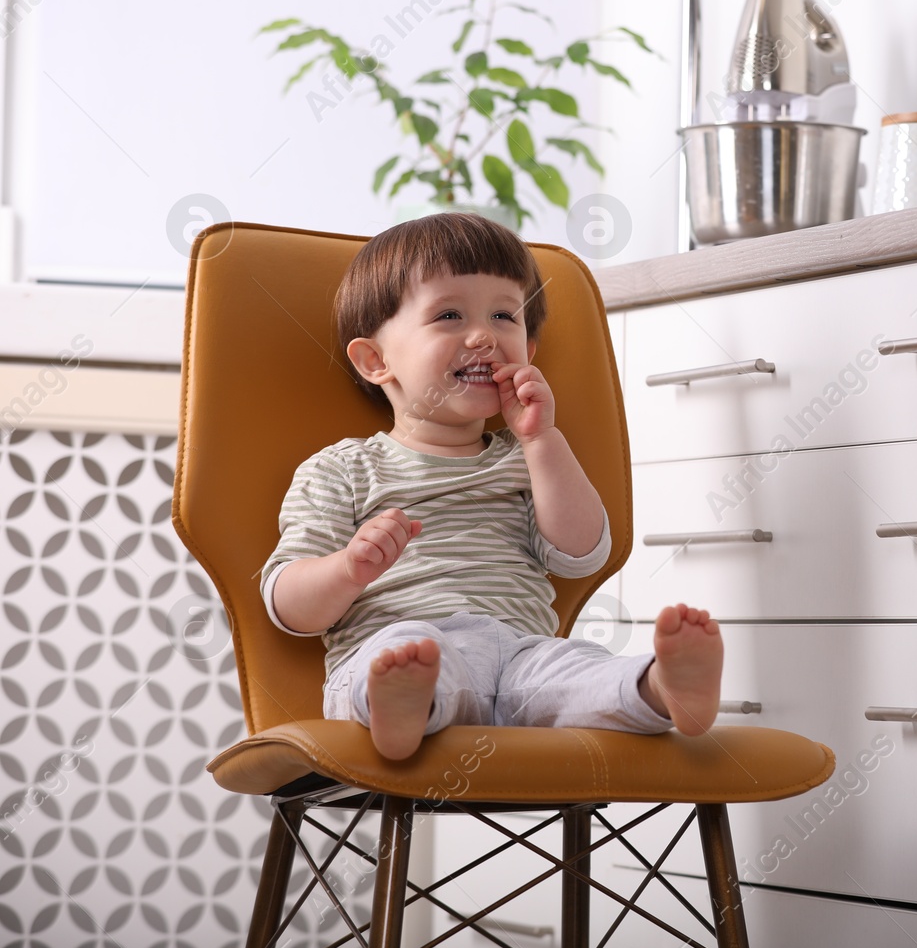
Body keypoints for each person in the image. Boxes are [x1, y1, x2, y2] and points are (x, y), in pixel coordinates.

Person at [258, 212, 722, 760]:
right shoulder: (342, 470)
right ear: (376, 361)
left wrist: (542, 439)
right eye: (449, 315)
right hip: (400, 642)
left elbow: (580, 554)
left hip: (524, 656)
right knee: (407, 657)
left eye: (505, 315)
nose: (483, 336)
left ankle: (658, 690)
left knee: (582, 671)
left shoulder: (528, 458)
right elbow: (290, 607)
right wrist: (349, 568)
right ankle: (404, 706)